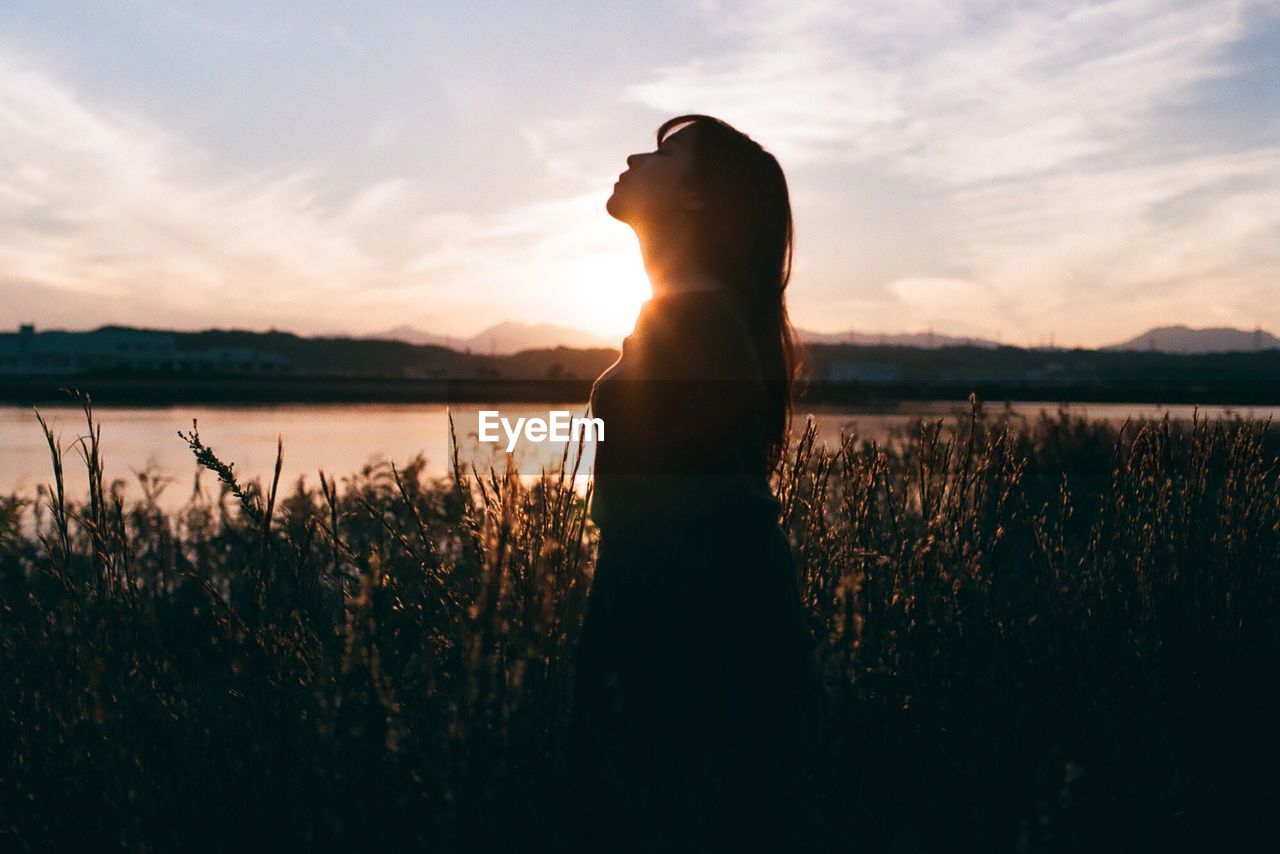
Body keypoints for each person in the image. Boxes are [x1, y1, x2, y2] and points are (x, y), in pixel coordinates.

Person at [566, 115, 821, 851]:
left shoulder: (698, 323)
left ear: (698, 201)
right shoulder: (691, 314)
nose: (633, 155)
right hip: (694, 638)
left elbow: (699, 521)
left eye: (666, 152)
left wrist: (632, 674)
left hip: (688, 653)